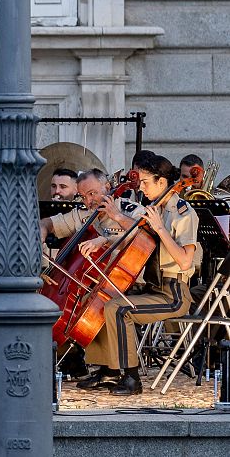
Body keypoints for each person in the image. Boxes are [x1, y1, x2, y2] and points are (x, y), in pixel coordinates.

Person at [77, 155, 197, 395]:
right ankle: (109, 370)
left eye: (145, 182)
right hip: (153, 287)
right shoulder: (156, 209)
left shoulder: (184, 213)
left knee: (119, 309)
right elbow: (137, 239)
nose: (140, 188)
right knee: (102, 300)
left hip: (173, 293)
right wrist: (104, 239)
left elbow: (184, 261)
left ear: (162, 182)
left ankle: (131, 379)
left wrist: (160, 229)